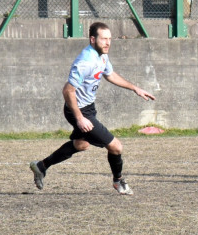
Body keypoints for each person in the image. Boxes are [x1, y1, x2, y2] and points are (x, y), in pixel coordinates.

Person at [29, 22, 155, 195]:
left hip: (88, 107)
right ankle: (118, 181)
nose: (108, 43)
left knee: (81, 144)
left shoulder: (102, 55)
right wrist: (80, 118)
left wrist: (135, 88)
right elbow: (67, 90)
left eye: (110, 39)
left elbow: (110, 74)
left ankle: (41, 166)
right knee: (116, 147)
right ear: (93, 39)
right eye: (104, 39)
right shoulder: (85, 62)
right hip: (78, 110)